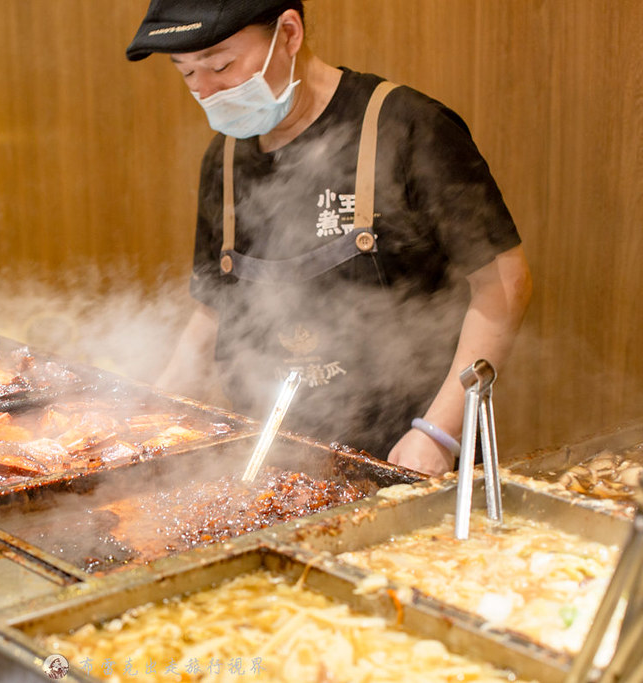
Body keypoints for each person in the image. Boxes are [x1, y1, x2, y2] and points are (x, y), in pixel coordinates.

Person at [126, 0, 532, 476]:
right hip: (274, 457)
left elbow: (504, 285)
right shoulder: (226, 156)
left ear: (290, 34)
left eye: (221, 64)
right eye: (187, 72)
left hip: (406, 449)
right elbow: (214, 306)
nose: (206, 90)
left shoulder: (408, 127)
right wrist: (152, 416)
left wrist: (439, 432)